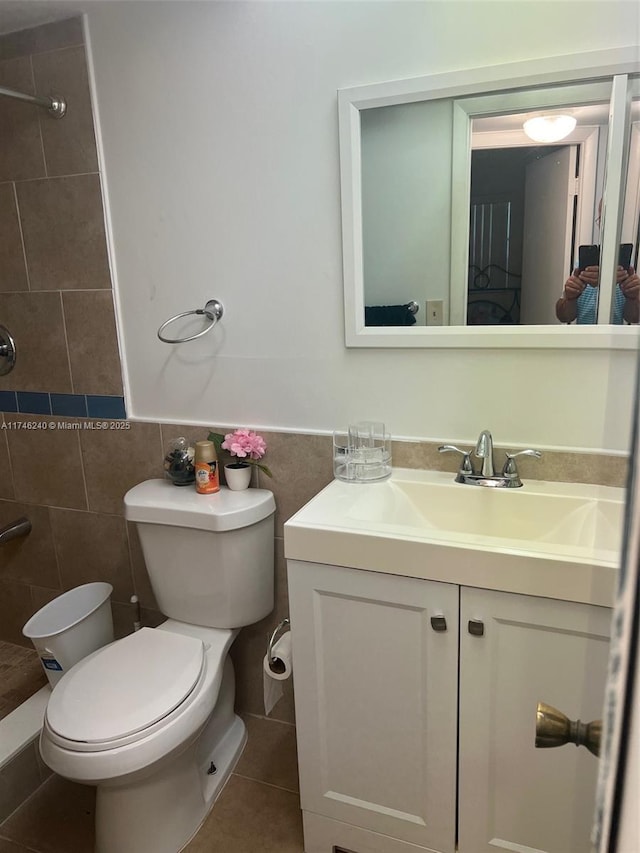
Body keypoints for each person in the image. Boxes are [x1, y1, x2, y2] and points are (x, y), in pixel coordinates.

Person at [555, 263, 640, 324]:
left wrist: (631, 298)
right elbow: (563, 317)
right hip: (583, 341)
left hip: (614, 341)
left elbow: (634, 318)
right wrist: (571, 298)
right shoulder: (580, 268)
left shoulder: (625, 272)